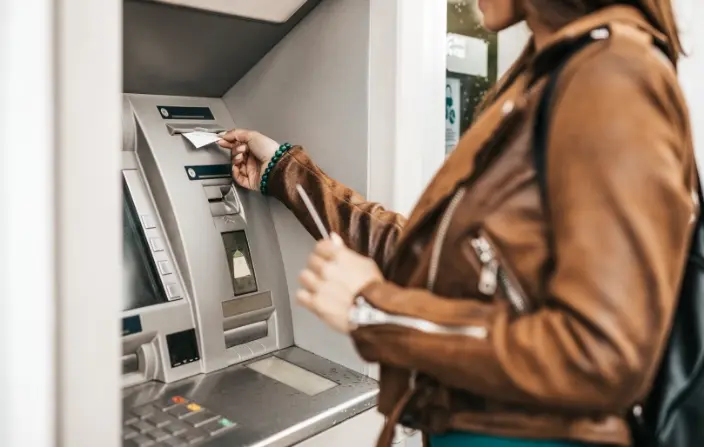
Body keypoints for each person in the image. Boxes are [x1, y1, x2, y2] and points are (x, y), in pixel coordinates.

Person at [218, 0, 695, 446]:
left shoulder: (611, 77)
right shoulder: (549, 75)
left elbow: (600, 355)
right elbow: (436, 262)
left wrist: (374, 312)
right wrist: (286, 173)